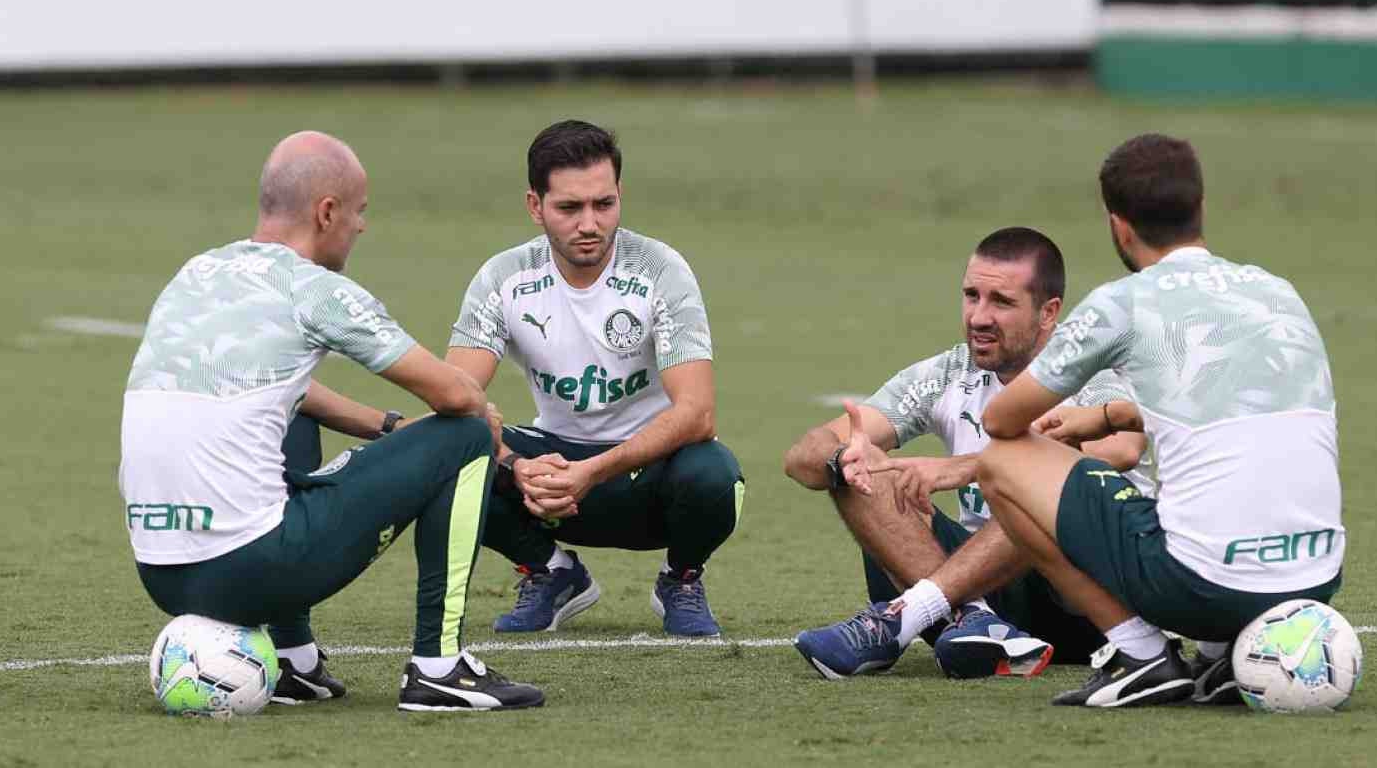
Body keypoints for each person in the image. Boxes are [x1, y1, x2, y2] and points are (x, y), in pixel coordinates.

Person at [121, 131, 545, 713]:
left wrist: (391, 430)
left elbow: (284, 390)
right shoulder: (316, 290)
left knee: (286, 406)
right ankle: (440, 669)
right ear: (327, 212)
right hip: (252, 569)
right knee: (466, 436)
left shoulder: (195, 274)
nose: (361, 226)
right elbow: (458, 396)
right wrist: (492, 436)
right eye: (359, 211)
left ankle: (294, 663)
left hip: (162, 572)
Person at [977, 133, 1344, 708]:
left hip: (1199, 589)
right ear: (1199, 208)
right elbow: (1233, 403)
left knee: (1000, 460)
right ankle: (1224, 655)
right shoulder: (1278, 290)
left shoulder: (1121, 302)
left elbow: (1001, 418)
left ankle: (1139, 655)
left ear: (1119, 225)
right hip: (1316, 582)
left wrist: (1081, 419)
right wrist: (1111, 414)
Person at [784, 227, 1152, 679]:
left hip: (1087, 605)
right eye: (971, 295)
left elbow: (1121, 448)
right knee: (860, 467)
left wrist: (965, 469)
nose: (979, 316)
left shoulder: (1085, 375)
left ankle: (912, 614)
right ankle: (974, 621)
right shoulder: (949, 373)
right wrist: (842, 459)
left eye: (1001, 302)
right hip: (988, 587)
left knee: (1043, 493)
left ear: (1048, 312)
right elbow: (802, 456)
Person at [446, 120, 742, 637]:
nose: (589, 223)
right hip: (552, 472)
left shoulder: (660, 270)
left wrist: (594, 470)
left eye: (604, 204)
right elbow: (453, 399)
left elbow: (697, 412)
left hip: (648, 474)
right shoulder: (504, 278)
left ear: (620, 195)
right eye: (569, 208)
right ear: (535, 206)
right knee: (446, 452)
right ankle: (551, 572)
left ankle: (682, 579)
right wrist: (514, 464)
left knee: (714, 475)